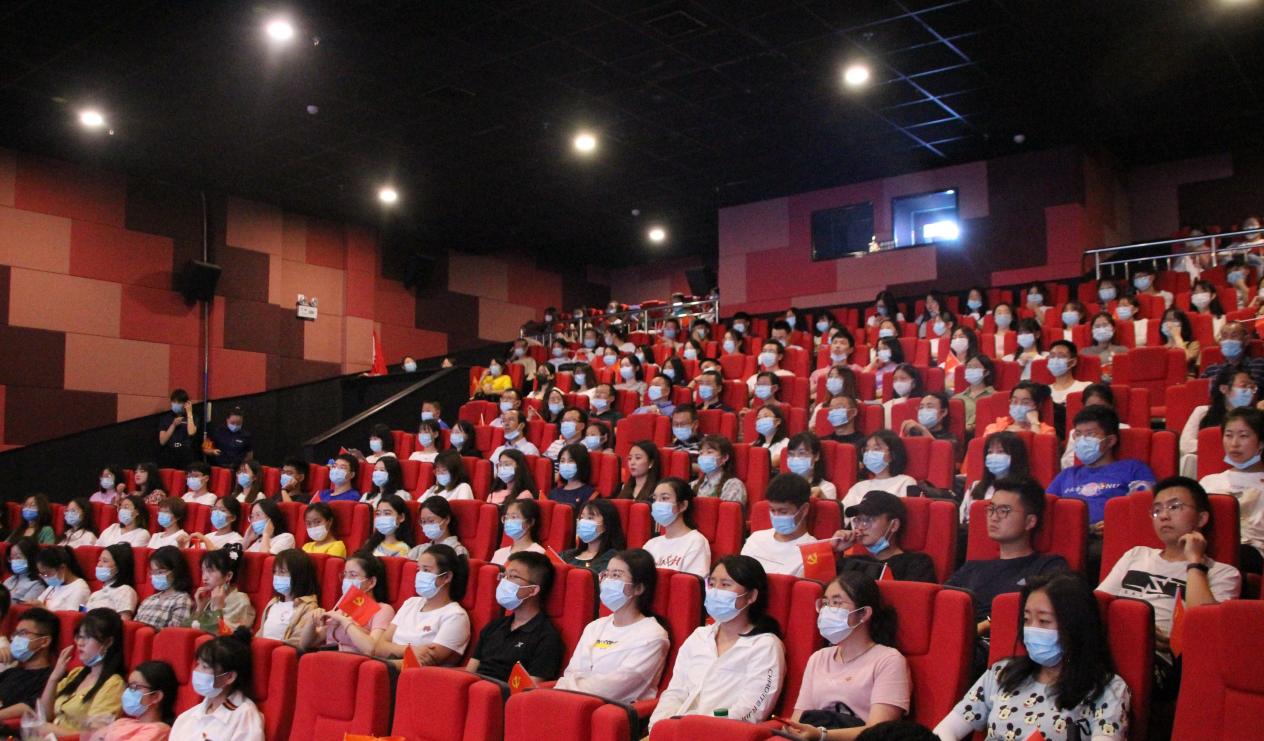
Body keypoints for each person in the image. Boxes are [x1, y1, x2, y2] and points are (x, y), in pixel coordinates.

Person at [932, 572, 1130, 741]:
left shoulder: (1107, 688)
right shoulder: (1002, 672)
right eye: (1026, 620)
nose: (1032, 629)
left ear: (1075, 626)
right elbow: (946, 730)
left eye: (1044, 621)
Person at [1097, 476, 1240, 695]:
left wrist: (1195, 562)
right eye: (1157, 510)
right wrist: (1138, 632)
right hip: (1112, 643)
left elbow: (1205, 631)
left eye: (1175, 507)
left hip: (1162, 663)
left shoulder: (1223, 573)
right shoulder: (1136, 555)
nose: (1163, 515)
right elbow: (1098, 605)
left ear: (1201, 518)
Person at [946, 477, 1069, 673]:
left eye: (1004, 510)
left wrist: (982, 626)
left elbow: (1043, 613)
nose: (994, 517)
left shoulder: (1049, 566)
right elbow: (944, 608)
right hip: (959, 643)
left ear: (1030, 521)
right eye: (991, 509)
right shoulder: (972, 568)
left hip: (1006, 651)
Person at [648, 555, 785, 728]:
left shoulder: (765, 646)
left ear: (751, 596)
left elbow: (751, 711)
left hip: (721, 732)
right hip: (674, 731)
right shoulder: (699, 636)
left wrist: (695, 729)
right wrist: (658, 727)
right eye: (712, 584)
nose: (715, 591)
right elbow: (675, 692)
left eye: (725, 585)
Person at [778, 572, 910, 741]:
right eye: (826, 603)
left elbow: (879, 732)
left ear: (863, 613)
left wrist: (821, 735)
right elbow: (799, 719)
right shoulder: (819, 657)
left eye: (837, 603)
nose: (827, 610)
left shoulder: (889, 660)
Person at [555, 548, 670, 703]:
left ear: (638, 588)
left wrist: (569, 688)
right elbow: (571, 673)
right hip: (572, 702)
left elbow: (616, 687)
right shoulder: (595, 626)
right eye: (606, 574)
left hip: (612, 710)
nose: (607, 581)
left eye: (616, 575)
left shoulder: (652, 635)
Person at [1047, 406, 1156, 533]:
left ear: (1110, 441)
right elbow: (1047, 509)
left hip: (1113, 535)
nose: (1082, 441)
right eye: (1078, 434)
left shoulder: (1134, 469)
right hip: (1069, 535)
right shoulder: (1067, 474)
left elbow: (1143, 508)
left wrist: (1113, 524)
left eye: (1090, 434)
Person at [467, 551, 565, 683]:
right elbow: (469, 674)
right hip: (476, 689)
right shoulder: (494, 626)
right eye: (504, 576)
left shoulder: (546, 637)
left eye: (512, 576)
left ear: (533, 590)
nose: (504, 582)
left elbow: (531, 688)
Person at [373, 545, 471, 668]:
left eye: (426, 570)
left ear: (447, 577)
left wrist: (387, 664)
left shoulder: (455, 615)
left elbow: (426, 661)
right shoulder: (411, 603)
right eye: (419, 569)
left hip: (419, 676)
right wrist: (411, 650)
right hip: (389, 666)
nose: (420, 575)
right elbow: (379, 647)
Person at [36, 608, 125, 737]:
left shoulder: (113, 684)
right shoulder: (76, 673)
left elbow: (94, 736)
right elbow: (43, 716)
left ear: (108, 642)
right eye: (79, 637)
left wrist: (54, 731)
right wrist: (54, 678)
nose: (80, 643)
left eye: (87, 637)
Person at [1199, 406, 1264, 573]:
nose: (1234, 444)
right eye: (1228, 435)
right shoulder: (1209, 482)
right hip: (1210, 548)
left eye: (1243, 436)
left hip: (1253, 554)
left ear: (1261, 442)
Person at [169, 631, 265, 740]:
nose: (197, 671)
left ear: (229, 677)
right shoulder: (186, 718)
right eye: (198, 664)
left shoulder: (244, 716)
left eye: (205, 667)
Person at [835, 492, 936, 583]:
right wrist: (834, 550)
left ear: (894, 525)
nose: (860, 527)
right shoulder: (852, 562)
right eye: (857, 520)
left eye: (868, 520)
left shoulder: (917, 563)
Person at [306, 553, 395, 654]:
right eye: (345, 575)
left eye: (353, 575)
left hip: (353, 661)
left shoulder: (383, 609)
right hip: (327, 658)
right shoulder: (344, 606)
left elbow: (372, 649)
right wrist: (312, 620)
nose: (346, 580)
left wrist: (344, 621)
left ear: (371, 582)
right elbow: (307, 644)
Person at [1179, 367, 1258, 476]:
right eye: (1244, 386)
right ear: (1224, 389)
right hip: (1209, 463)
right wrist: (1219, 448)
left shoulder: (1257, 418)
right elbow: (1186, 445)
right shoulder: (1202, 412)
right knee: (1189, 458)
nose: (1249, 391)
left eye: (1252, 387)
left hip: (1246, 467)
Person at [741, 473, 818, 576]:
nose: (776, 516)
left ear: (804, 510)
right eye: (772, 510)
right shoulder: (755, 539)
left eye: (783, 512)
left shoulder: (813, 551)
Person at [86, 660, 179, 741]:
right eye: (129, 687)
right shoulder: (122, 722)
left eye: (135, 687)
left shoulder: (160, 730)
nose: (128, 692)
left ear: (156, 696)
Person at [643, 478, 711, 577]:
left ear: (683, 505)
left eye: (664, 498)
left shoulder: (696, 541)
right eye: (655, 499)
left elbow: (692, 583)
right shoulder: (650, 544)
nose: (657, 504)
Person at [961, 431, 1033, 524]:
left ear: (1016, 456)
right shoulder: (975, 486)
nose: (993, 456)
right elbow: (962, 519)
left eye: (1000, 452)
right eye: (990, 452)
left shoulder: (1025, 490)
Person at [0, 607, 57, 721]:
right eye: (16, 633)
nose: (16, 639)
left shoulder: (51, 677)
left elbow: (29, 707)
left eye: (23, 633)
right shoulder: (10, 672)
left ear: (44, 641)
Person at [256, 550, 320, 647]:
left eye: (282, 572)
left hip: (281, 651)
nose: (276, 576)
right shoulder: (273, 602)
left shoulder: (308, 607)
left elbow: (298, 641)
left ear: (298, 576)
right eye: (275, 572)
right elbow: (261, 632)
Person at [187, 545, 256, 634]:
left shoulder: (241, 601)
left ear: (228, 576)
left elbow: (223, 635)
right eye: (203, 571)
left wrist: (218, 609)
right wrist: (199, 608)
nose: (204, 578)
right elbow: (186, 630)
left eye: (210, 571)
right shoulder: (209, 598)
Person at [841, 432, 917, 510]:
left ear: (892, 454)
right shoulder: (859, 486)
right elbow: (843, 513)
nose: (870, 453)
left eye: (876, 449)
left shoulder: (905, 481)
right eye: (866, 450)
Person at [135, 547, 193, 629]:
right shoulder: (149, 599)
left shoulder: (182, 599)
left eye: (160, 572)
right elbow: (134, 626)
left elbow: (175, 633)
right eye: (153, 572)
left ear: (175, 571)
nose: (155, 576)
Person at [562, 498, 625, 573]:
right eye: (582, 517)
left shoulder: (612, 558)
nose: (583, 522)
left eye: (590, 518)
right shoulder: (567, 555)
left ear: (606, 524)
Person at [1201, 320, 1264, 388]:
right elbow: (1199, 391)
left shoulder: (1259, 365)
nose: (1229, 340)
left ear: (1246, 340)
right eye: (1224, 336)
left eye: (1234, 336)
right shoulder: (1211, 370)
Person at [981, 381, 1055, 437]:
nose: (1018, 406)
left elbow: (1040, 449)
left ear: (1037, 405)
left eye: (1025, 402)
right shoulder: (995, 428)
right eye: (1014, 401)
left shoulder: (1046, 431)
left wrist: (1034, 423)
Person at [692, 434, 749, 505]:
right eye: (701, 453)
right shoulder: (693, 485)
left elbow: (729, 511)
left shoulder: (733, 485)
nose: (703, 456)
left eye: (709, 452)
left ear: (724, 458)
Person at [86, 544, 138, 620]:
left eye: (105, 561)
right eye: (99, 560)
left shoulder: (125, 590)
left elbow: (125, 621)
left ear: (119, 566)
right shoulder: (95, 594)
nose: (99, 565)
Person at [32, 547, 90, 612]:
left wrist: (43, 609)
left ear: (62, 568)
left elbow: (72, 617)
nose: (45, 577)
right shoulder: (55, 585)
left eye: (46, 573)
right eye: (42, 574)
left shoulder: (80, 588)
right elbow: (39, 601)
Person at [491, 499, 547, 565]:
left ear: (530, 522)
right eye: (506, 517)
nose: (508, 521)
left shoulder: (537, 553)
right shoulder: (498, 553)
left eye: (514, 517)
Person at [952, 354, 996, 436]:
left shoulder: (995, 397)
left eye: (975, 367)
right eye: (969, 367)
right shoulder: (956, 398)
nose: (971, 370)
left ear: (986, 372)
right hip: (959, 436)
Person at [548, 443, 598, 510]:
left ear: (581, 463)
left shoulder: (590, 494)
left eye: (571, 461)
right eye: (562, 461)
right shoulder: (553, 493)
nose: (565, 464)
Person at [157, 388, 197, 469]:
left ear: (185, 403)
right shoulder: (166, 418)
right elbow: (162, 441)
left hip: (186, 455)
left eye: (178, 402)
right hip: (169, 454)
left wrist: (189, 412)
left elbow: (191, 432)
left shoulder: (193, 417)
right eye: (173, 402)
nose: (175, 405)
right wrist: (173, 425)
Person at [367, 494, 414, 558]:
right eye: (378, 514)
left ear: (401, 517)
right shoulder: (371, 544)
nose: (382, 518)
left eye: (387, 513)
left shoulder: (404, 549)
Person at [1159, 307, 1200, 376]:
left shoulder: (1193, 344)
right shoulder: (1160, 349)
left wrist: (1177, 337)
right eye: (1166, 320)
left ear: (1182, 325)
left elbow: (1186, 358)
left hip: (1185, 378)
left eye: (1174, 320)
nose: (1169, 324)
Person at [4, 539, 45, 604]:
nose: (14, 562)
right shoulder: (10, 580)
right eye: (11, 558)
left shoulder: (37, 585)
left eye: (18, 557)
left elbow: (22, 608)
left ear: (31, 558)